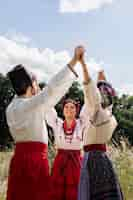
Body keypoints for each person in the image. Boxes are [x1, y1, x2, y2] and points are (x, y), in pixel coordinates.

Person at [6, 46, 83, 200]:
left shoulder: (11, 108)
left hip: (18, 159)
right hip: (35, 161)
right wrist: (74, 61)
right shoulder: (32, 105)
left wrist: (32, 87)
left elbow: (32, 97)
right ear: (30, 86)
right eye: (34, 83)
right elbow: (52, 88)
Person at [78, 54, 124, 200]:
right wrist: (101, 76)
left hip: (92, 159)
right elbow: (100, 92)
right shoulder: (108, 113)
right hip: (104, 159)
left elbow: (89, 88)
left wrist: (83, 64)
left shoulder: (95, 109)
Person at [45, 95, 89, 200]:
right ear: (63, 110)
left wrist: (89, 90)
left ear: (77, 111)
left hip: (76, 162)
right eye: (66, 107)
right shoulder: (57, 123)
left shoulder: (81, 123)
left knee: (75, 192)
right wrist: (40, 93)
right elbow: (48, 109)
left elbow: (88, 107)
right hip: (60, 161)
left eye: (72, 107)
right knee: (57, 192)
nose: (69, 109)